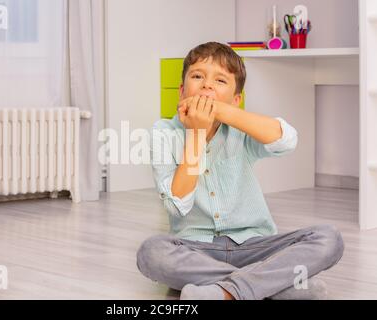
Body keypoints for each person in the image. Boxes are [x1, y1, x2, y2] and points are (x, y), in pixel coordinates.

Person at [136, 42, 344, 300]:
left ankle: (225, 292)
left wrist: (223, 113)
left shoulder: (240, 129)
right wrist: (197, 133)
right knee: (152, 252)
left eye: (220, 80)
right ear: (181, 91)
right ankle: (273, 285)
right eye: (197, 76)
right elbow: (177, 205)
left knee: (328, 238)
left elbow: (287, 140)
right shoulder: (163, 132)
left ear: (236, 101)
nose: (207, 85)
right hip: (196, 249)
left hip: (256, 245)